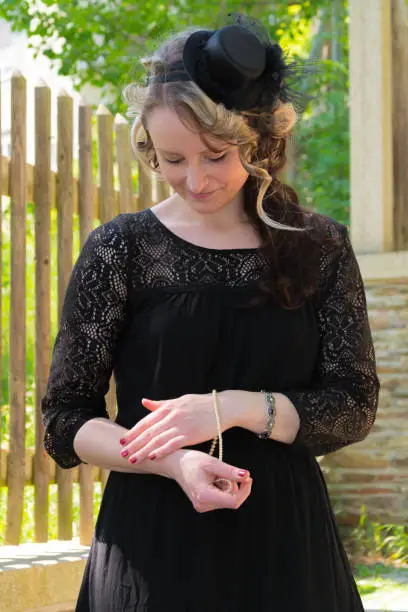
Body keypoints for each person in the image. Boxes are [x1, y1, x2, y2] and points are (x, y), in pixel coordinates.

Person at [41, 14, 380, 612]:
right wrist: (173, 462)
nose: (194, 180)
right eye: (172, 159)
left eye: (216, 156)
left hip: (285, 544)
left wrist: (234, 409)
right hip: (150, 543)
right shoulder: (121, 248)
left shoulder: (319, 246)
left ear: (256, 142)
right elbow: (65, 421)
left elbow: (352, 406)